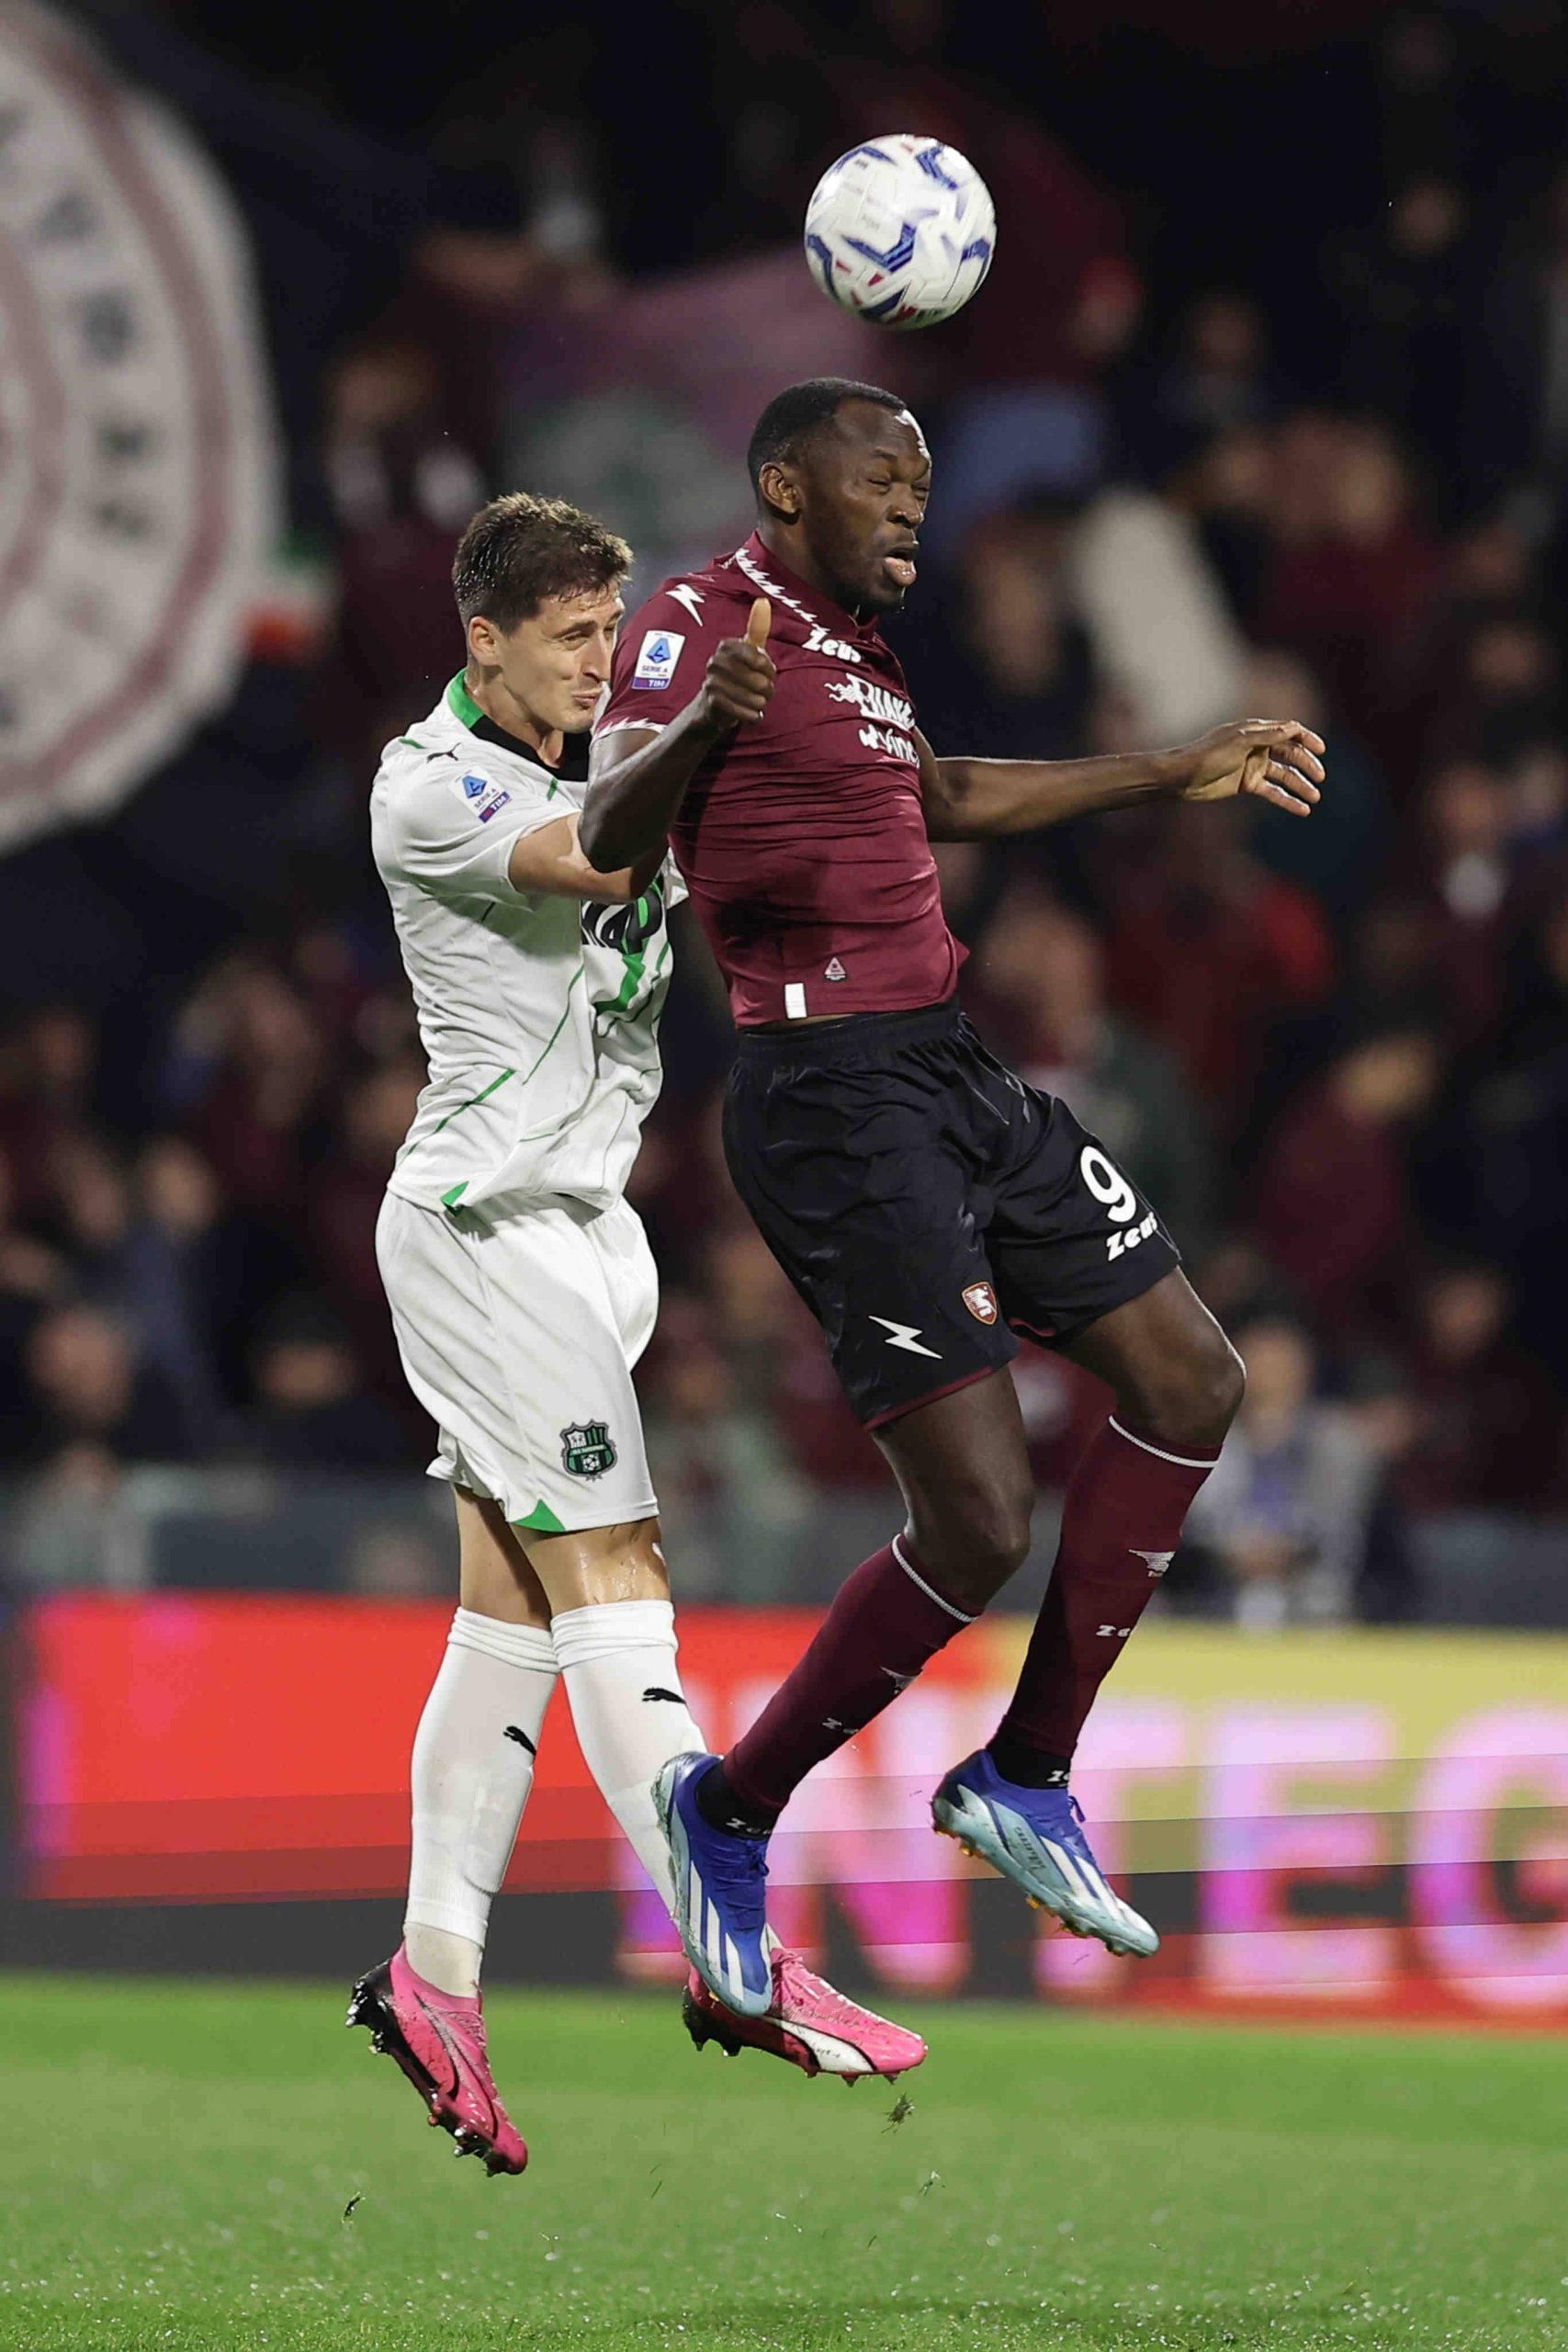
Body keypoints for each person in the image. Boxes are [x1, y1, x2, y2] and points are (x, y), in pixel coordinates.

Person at [583, 378, 1325, 2018]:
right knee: (980, 1517)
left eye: (921, 481)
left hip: (953, 1071)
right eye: (881, 477)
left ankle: (1026, 1773)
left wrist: (1176, 768)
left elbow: (948, 799)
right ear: (786, 484)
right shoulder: (701, 623)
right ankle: (725, 1809)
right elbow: (609, 832)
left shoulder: (855, 655)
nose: (914, 504)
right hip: (831, 1098)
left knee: (1198, 1375)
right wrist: (706, 726)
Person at [350, 491, 924, 2178]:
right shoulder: (428, 784)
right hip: (485, 1229)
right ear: (486, 639)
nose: (603, 660)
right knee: (619, 1571)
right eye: (571, 635)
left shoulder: (629, 743)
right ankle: (729, 1940)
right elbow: (593, 854)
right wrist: (694, 740)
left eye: (613, 630)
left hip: (591, 1235)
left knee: (511, 1615)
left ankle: (434, 1974)